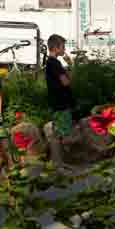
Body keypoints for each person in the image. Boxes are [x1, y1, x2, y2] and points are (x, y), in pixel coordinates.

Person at [45, 35, 74, 165]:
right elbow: (66, 82)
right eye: (63, 46)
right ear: (56, 47)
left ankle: (59, 162)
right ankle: (57, 162)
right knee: (59, 135)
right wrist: (71, 66)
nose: (64, 49)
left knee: (59, 134)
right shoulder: (54, 63)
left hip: (59, 102)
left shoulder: (52, 62)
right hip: (60, 103)